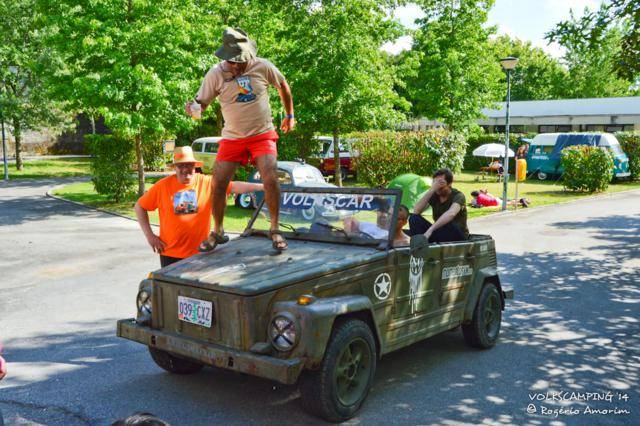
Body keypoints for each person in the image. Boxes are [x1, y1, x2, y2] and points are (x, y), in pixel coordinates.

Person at [186, 28, 295, 252]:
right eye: (231, 62)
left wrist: (289, 115)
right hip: (233, 137)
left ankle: (274, 229)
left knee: (270, 177)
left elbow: (283, 85)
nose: (235, 66)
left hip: (261, 134)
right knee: (218, 183)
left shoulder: (263, 66)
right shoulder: (215, 74)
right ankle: (218, 231)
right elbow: (201, 104)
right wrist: (195, 110)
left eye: (240, 61)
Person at [134, 146, 263, 267]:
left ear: (195, 166)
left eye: (189, 165)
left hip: (201, 252)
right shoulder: (162, 186)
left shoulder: (206, 182)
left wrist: (264, 186)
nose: (185, 169)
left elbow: (234, 186)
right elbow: (139, 207)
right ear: (175, 168)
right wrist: (150, 236)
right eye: (181, 165)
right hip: (170, 253)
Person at [409, 168, 469, 243]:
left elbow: (451, 214)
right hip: (441, 232)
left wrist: (430, 230)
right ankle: (418, 245)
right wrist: (431, 190)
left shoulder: (458, 195)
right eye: (435, 183)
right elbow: (416, 211)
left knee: (449, 225)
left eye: (441, 183)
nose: (438, 188)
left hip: (457, 235)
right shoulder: (435, 194)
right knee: (414, 218)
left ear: (449, 183)